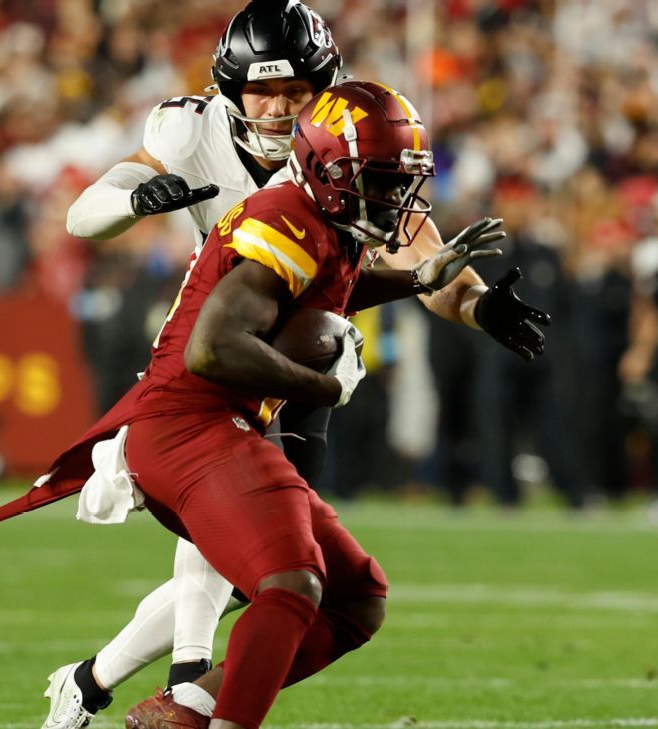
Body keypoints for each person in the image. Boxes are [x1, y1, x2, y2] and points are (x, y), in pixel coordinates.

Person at [44, 3, 545, 726]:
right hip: (224, 346)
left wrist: (473, 303)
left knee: (279, 565)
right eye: (261, 91)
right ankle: (187, 688)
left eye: (295, 92)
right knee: (267, 558)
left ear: (323, 88)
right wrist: (136, 197)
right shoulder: (195, 133)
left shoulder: (346, 138)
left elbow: (421, 256)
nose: (279, 108)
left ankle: (100, 680)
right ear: (230, 88)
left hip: (299, 340)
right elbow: (84, 215)